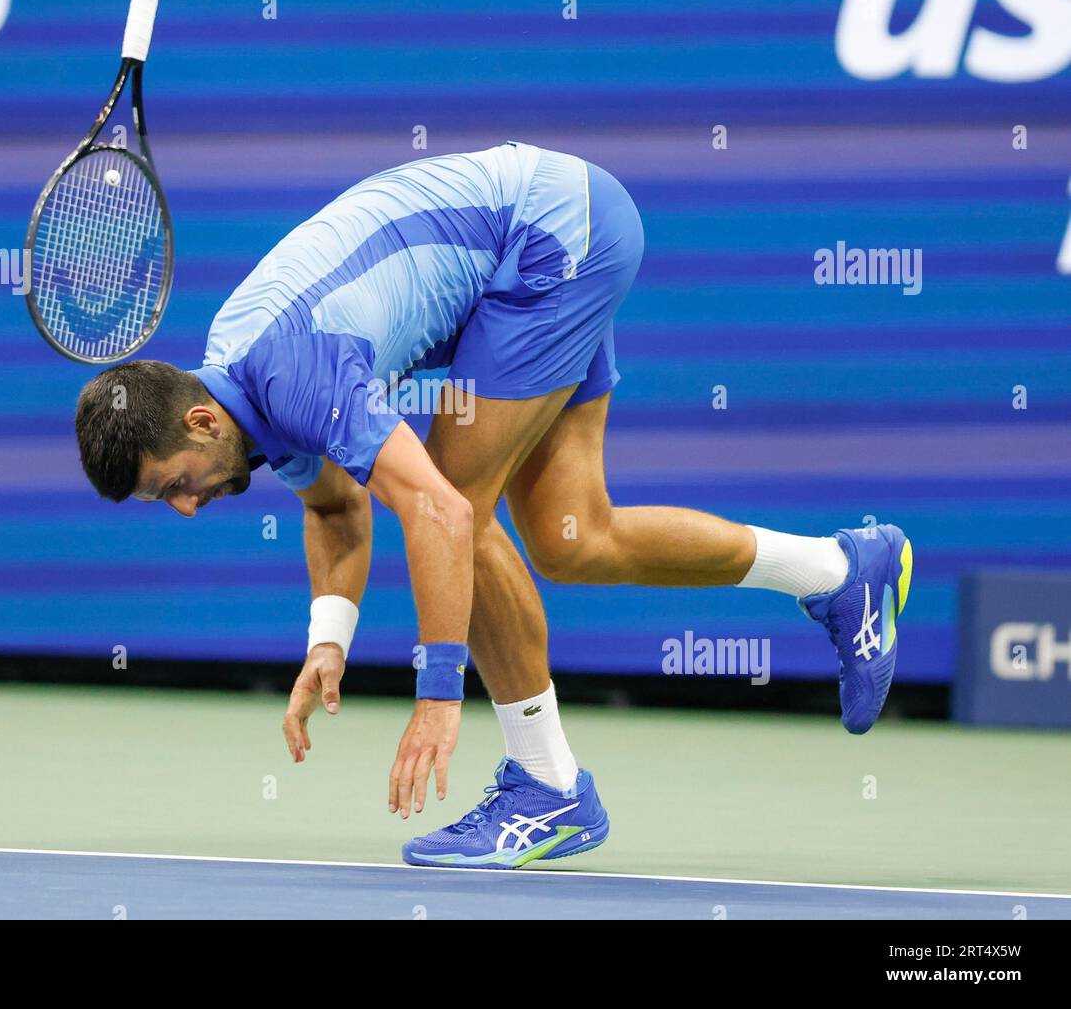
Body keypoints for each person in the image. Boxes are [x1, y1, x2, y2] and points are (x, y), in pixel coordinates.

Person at [74, 142, 913, 869]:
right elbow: (336, 511)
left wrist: (439, 697)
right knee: (571, 536)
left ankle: (546, 785)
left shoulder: (293, 372)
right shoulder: (244, 398)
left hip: (548, 238)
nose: (185, 507)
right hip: (558, 225)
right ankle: (840, 570)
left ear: (199, 420)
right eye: (166, 500)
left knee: (454, 505)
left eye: (173, 482)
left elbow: (439, 514)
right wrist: (328, 641)